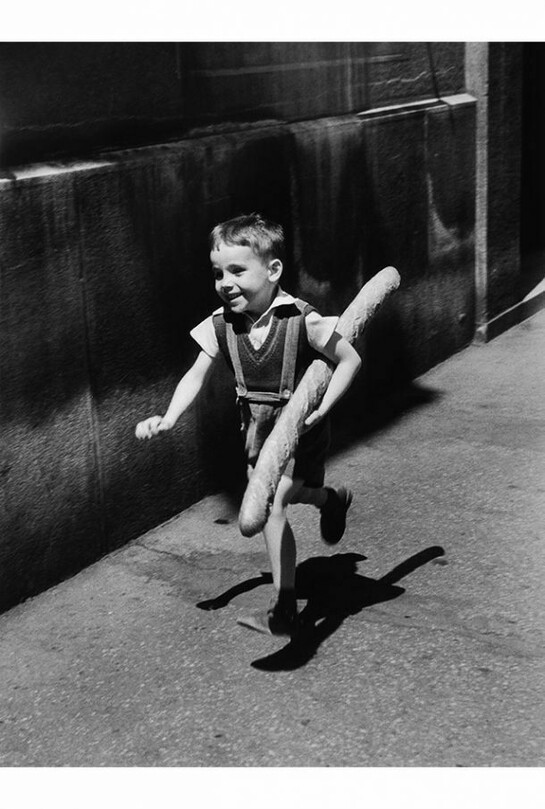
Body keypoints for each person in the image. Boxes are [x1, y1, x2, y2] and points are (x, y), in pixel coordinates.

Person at [136, 213, 362, 638]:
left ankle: (284, 609)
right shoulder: (221, 325)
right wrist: (168, 417)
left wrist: (322, 409)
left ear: (273, 270)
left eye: (238, 270)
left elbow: (349, 360)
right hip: (256, 433)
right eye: (218, 272)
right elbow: (195, 375)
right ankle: (329, 499)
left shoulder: (302, 320)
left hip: (300, 430)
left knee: (273, 506)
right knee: (286, 497)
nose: (225, 281)